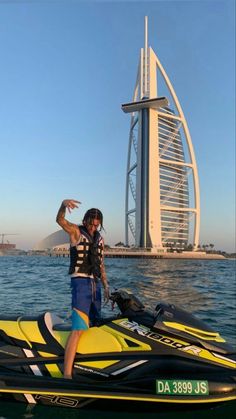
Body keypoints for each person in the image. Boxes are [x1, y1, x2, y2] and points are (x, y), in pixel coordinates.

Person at [56, 199, 109, 379]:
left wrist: (106, 286)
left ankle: (92, 367)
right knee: (78, 329)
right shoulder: (76, 231)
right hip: (80, 283)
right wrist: (63, 205)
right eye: (91, 224)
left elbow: (100, 264)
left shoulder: (100, 239)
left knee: (95, 325)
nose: (94, 228)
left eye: (97, 225)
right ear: (86, 220)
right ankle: (67, 375)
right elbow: (60, 220)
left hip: (95, 285)